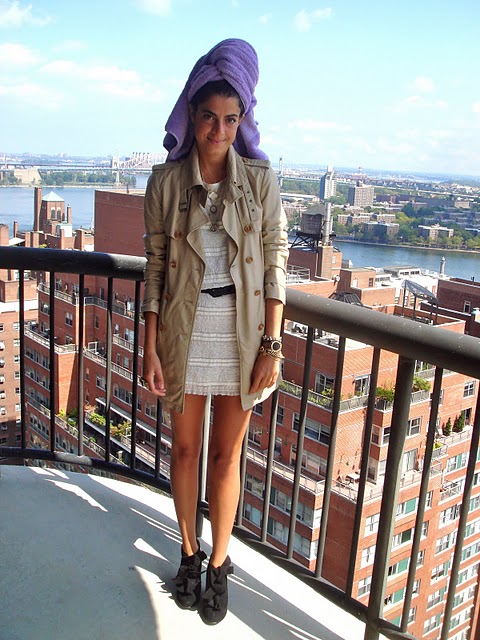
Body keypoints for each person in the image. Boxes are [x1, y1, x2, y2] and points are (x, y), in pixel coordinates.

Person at [142, 38, 288, 625]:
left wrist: (272, 345)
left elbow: (275, 263)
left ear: (242, 120)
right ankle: (189, 553)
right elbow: (156, 267)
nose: (218, 130)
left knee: (227, 457)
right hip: (185, 329)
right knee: (184, 450)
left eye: (231, 119)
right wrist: (149, 345)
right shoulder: (166, 183)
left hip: (242, 334)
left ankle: (220, 565)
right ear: (192, 114)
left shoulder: (261, 181)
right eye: (209, 117)